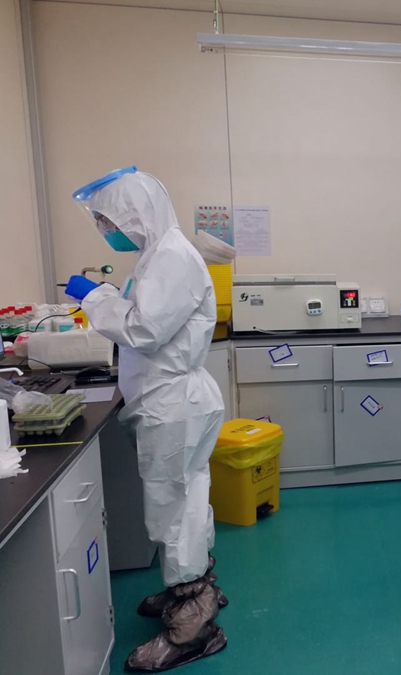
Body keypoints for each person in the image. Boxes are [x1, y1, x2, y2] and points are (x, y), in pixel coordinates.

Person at [66, 168, 227, 672]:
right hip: (170, 401)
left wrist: (93, 296)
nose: (104, 229)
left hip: (174, 403)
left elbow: (144, 329)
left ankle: (193, 625)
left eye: (106, 219)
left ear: (132, 214)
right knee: (185, 500)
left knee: (172, 509)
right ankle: (191, 587)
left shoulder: (173, 256)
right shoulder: (158, 255)